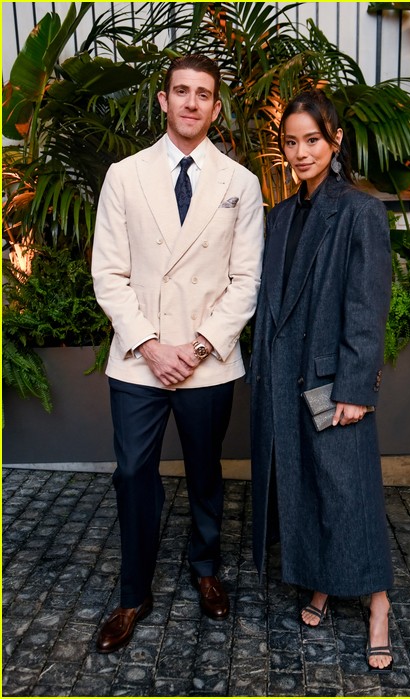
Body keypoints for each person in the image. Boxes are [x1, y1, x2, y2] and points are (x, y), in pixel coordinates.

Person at [92, 54, 264, 653]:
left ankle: (206, 569)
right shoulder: (124, 175)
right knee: (134, 474)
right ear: (163, 100)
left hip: (206, 359)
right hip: (139, 356)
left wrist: (193, 348)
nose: (191, 103)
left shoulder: (240, 183)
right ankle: (132, 594)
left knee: (205, 472)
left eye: (203, 95)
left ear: (216, 108)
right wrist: (148, 344)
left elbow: (247, 281)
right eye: (181, 92)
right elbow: (109, 273)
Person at [249, 89, 394, 672]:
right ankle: (321, 583)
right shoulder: (280, 215)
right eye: (291, 141)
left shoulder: (359, 209)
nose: (301, 151)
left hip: (332, 382)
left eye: (313, 139)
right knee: (305, 487)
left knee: (349, 492)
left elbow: (367, 304)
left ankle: (379, 605)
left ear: (334, 142)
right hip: (286, 380)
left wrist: (355, 389)